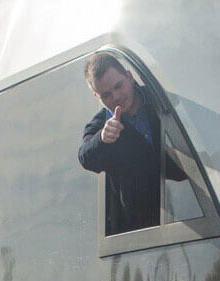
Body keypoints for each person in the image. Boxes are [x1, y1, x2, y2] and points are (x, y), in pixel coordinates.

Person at [78, 53, 186, 236]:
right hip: (141, 235)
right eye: (106, 95)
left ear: (129, 77)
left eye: (118, 86)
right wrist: (103, 139)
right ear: (97, 97)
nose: (117, 97)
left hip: (189, 210)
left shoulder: (161, 99)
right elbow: (85, 156)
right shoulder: (101, 125)